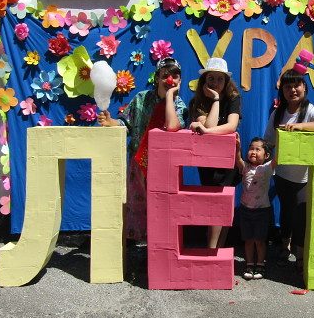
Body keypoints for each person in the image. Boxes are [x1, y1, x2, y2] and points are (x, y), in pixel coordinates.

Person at [97, 57, 187, 241]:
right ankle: (138, 247)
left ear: (180, 80)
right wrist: (110, 122)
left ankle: (159, 248)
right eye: (165, 75)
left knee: (163, 209)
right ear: (157, 78)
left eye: (175, 76)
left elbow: (173, 125)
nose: (170, 79)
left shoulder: (180, 106)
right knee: (137, 207)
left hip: (165, 168)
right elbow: (125, 123)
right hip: (139, 164)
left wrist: (170, 97)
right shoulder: (141, 98)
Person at [263, 69, 314, 273]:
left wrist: (301, 127)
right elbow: (268, 140)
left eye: (297, 85)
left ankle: (301, 254)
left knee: (301, 216)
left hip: (304, 176)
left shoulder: (311, 110)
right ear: (283, 91)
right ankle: (285, 246)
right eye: (288, 87)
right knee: (286, 212)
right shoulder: (277, 113)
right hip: (282, 174)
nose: (293, 90)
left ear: (305, 87)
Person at [188, 57, 242, 248]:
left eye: (220, 79)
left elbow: (231, 126)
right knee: (213, 205)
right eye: (211, 78)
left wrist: (207, 132)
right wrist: (216, 100)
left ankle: (216, 250)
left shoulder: (234, 98)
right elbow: (210, 125)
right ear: (204, 80)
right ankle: (212, 250)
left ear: (226, 81)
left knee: (223, 205)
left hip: (227, 161)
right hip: (208, 161)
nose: (215, 83)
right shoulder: (196, 102)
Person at [235, 135, 276, 280]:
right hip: (245, 210)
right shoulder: (245, 167)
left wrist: (282, 141)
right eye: (251, 148)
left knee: (259, 240)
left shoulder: (266, 168)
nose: (253, 152)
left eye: (258, 149)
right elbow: (238, 160)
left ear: (266, 155)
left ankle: (260, 264)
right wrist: (238, 147)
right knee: (248, 240)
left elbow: (277, 160)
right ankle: (249, 264)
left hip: (262, 211)